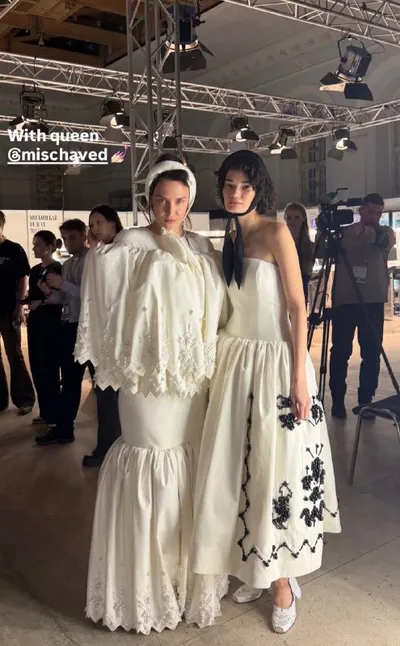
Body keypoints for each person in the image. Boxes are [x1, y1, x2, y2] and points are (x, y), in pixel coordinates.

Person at [74, 156, 228, 634]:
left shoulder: (202, 246)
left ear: (190, 200)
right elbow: (106, 300)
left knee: (189, 465)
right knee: (147, 459)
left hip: (191, 382)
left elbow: (219, 309)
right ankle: (143, 590)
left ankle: (184, 582)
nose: (171, 209)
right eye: (162, 200)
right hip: (145, 381)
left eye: (180, 201)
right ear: (148, 200)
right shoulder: (129, 243)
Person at [191, 151, 341, 635]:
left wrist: (298, 376)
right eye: (229, 185)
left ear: (259, 189)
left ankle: (282, 582)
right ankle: (256, 565)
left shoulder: (276, 233)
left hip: (275, 362)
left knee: (277, 469)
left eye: (245, 186)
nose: (235, 193)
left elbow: (297, 307)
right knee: (241, 468)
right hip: (236, 364)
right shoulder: (230, 237)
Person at [317, 194, 396, 419]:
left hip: (373, 302)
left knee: (371, 353)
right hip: (344, 301)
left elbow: (380, 240)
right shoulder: (343, 234)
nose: (375, 216)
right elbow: (321, 252)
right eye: (371, 211)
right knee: (340, 352)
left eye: (379, 213)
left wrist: (360, 231)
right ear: (361, 210)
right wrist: (324, 231)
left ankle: (366, 401)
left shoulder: (385, 232)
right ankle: (337, 400)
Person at [35, 219, 88, 445]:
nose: (68, 242)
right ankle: (65, 428)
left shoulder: (91, 260)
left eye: (72, 237)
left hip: (88, 327)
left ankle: (111, 434)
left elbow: (90, 293)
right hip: (69, 325)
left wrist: (61, 285)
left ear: (84, 236)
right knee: (69, 379)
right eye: (65, 238)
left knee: (99, 381)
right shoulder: (67, 265)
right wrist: (49, 293)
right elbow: (64, 298)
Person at [82, 205, 123, 468]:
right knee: (106, 395)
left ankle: (109, 450)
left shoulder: (120, 250)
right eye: (91, 224)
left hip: (118, 335)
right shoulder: (99, 253)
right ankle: (107, 448)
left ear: (113, 222)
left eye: (98, 222)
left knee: (111, 396)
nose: (94, 228)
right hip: (103, 334)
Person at [0, 210, 35, 415]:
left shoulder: (14, 250)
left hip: (9, 311)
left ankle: (24, 399)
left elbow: (23, 278)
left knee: (14, 354)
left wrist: (20, 306)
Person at [27, 231, 63, 428]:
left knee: (49, 367)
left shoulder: (57, 268)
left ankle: (54, 414)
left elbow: (59, 297)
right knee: (37, 367)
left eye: (38, 245)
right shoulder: (34, 270)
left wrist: (42, 301)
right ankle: (45, 411)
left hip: (50, 324)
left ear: (49, 247)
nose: (34, 248)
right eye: (34, 244)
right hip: (35, 322)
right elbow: (33, 295)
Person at [284, 202, 314, 305]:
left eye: (296, 217)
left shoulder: (309, 246)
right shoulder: (281, 244)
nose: (292, 221)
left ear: (303, 219)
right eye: (289, 218)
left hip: (301, 291)